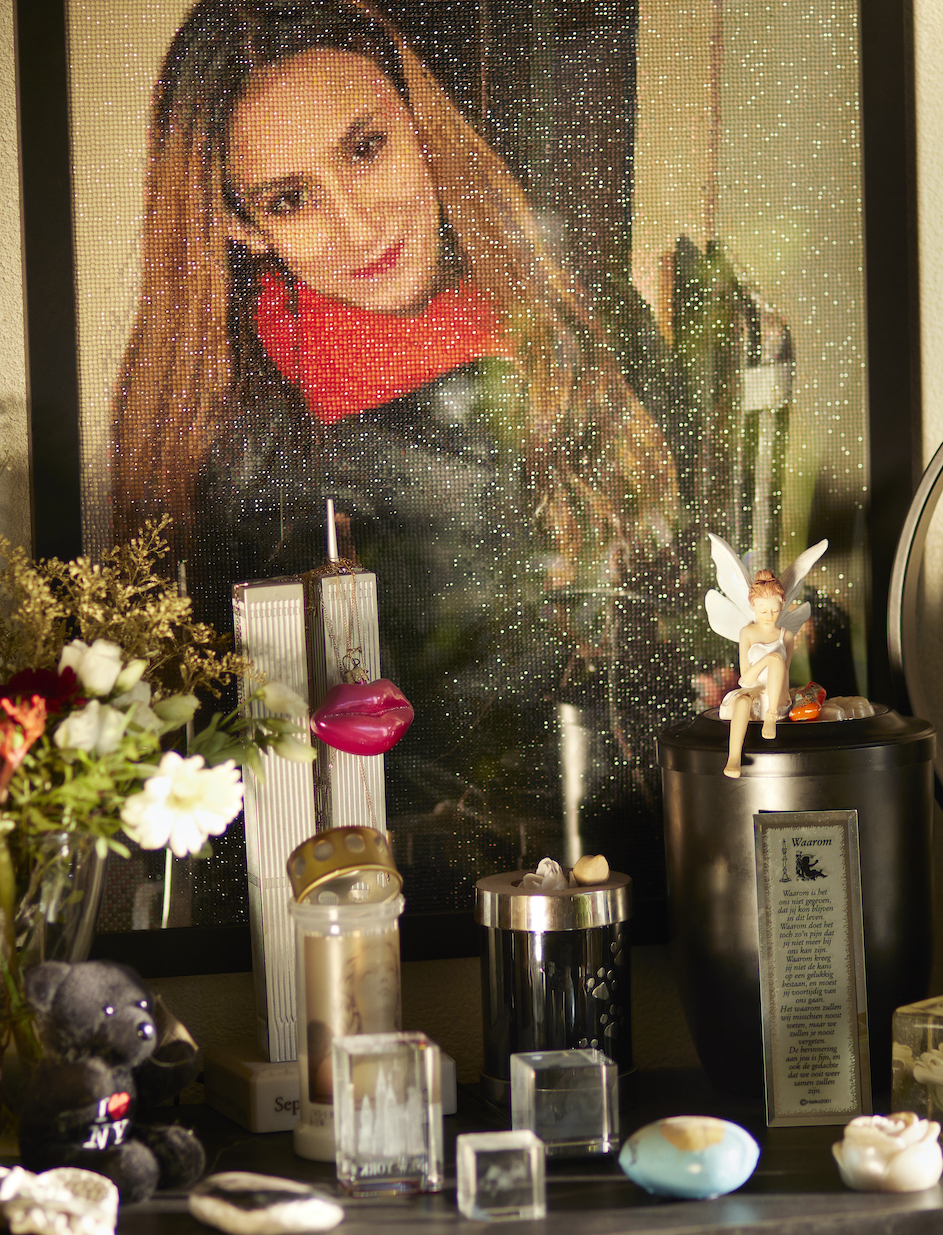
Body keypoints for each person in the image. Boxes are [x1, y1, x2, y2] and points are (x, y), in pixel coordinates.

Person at [108, 0, 688, 906]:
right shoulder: (235, 439)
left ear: (420, 124)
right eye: (290, 198)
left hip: (631, 890)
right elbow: (218, 794)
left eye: (366, 147)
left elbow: (681, 603)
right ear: (241, 229)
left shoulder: (589, 326)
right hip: (378, 924)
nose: (356, 222)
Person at [721, 571, 791, 776]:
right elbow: (745, 679)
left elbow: (786, 671)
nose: (769, 617)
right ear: (753, 607)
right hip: (753, 688)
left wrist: (784, 695)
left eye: (774, 611)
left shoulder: (785, 635)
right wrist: (767, 659)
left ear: (782, 605)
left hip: (775, 695)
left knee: (779, 661)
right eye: (763, 611)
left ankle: (771, 717)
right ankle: (733, 758)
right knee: (743, 702)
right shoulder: (747, 633)